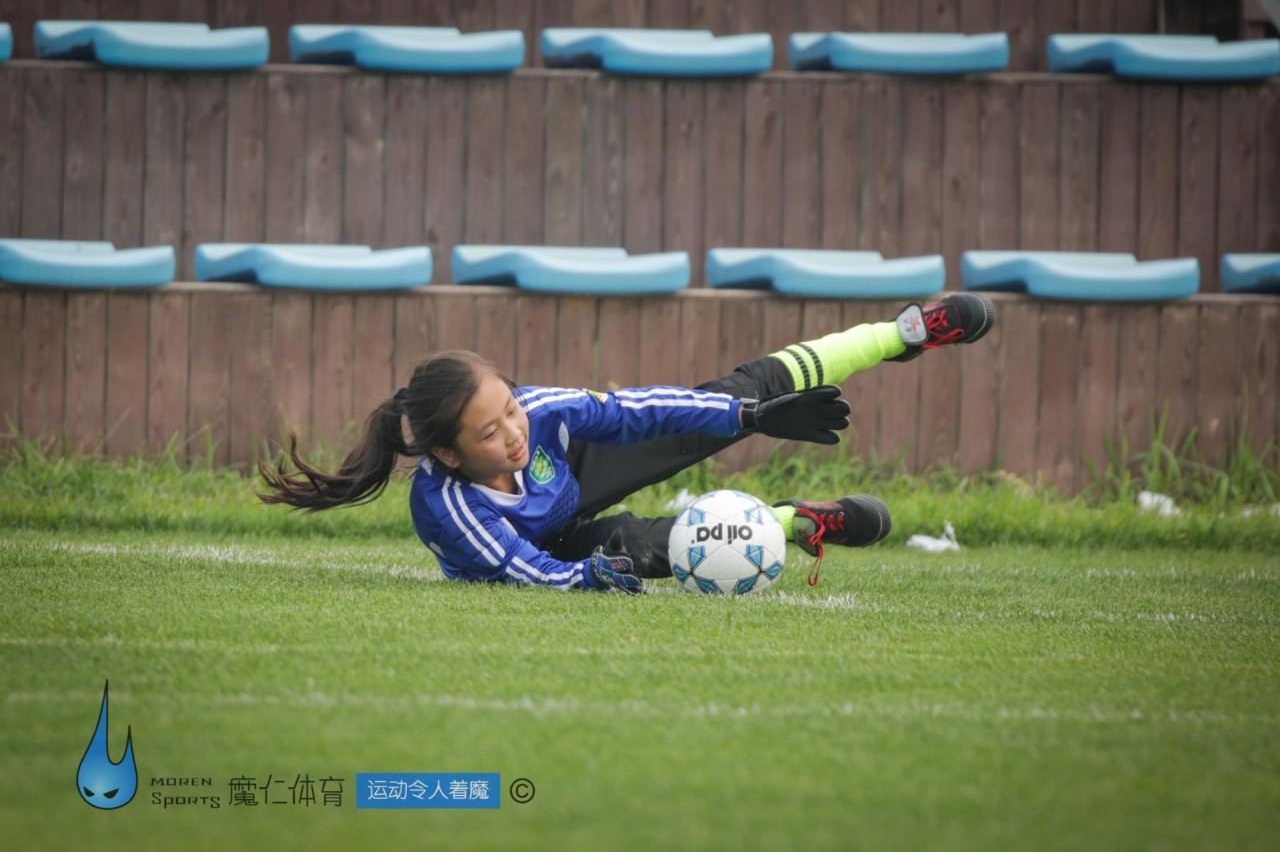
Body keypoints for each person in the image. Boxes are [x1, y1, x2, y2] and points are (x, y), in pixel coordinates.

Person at [258, 293, 995, 593]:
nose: (514, 431)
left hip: (575, 476)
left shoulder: (540, 416)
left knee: (734, 391)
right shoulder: (446, 506)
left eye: (511, 408)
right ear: (448, 454)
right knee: (658, 547)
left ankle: (896, 335)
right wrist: (584, 578)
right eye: (490, 431)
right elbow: (521, 566)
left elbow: (638, 411)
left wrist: (743, 419)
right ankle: (794, 522)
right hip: (557, 543)